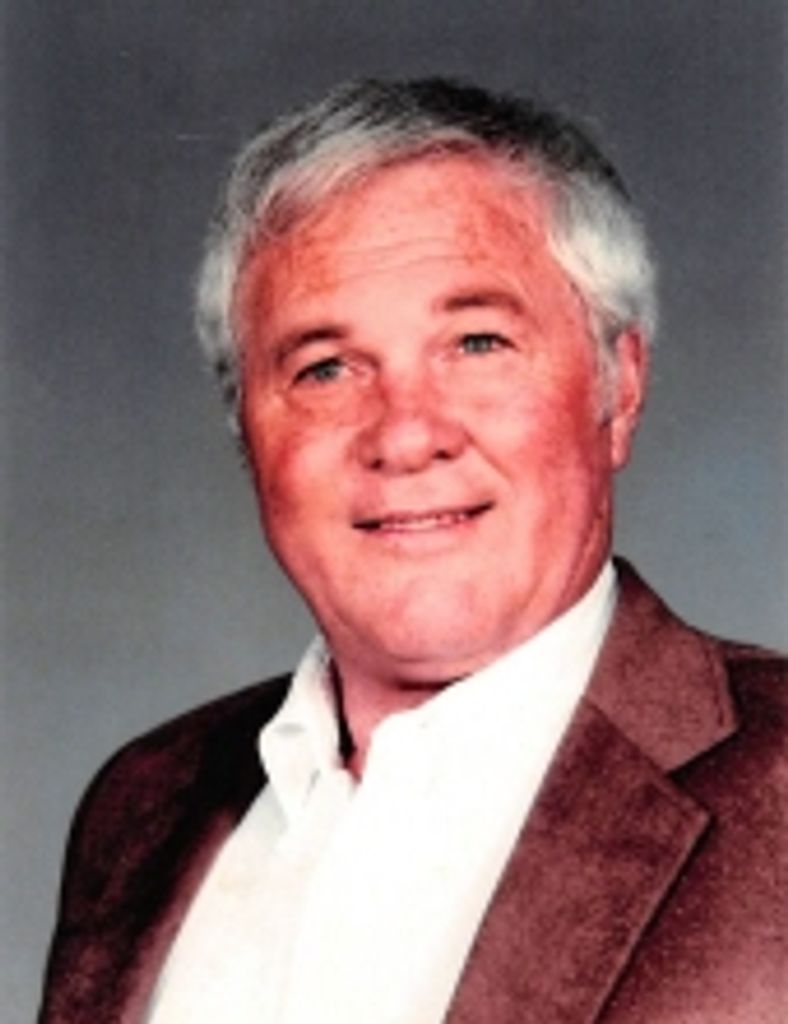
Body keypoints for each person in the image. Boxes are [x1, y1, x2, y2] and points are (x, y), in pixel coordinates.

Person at [39, 78, 786, 1024]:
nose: (405, 434)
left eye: (477, 343)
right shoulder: (142, 808)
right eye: (325, 368)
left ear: (618, 386)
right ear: (246, 431)